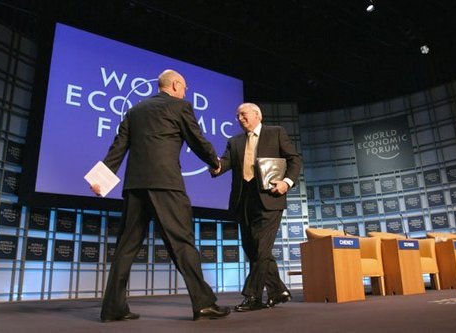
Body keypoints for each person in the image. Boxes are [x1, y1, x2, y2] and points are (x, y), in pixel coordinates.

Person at [90, 69, 230, 322]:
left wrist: (100, 178)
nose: (186, 91)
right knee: (182, 243)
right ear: (176, 85)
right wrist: (215, 162)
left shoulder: (135, 110)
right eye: (185, 87)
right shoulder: (181, 107)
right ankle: (204, 303)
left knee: (125, 247)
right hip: (166, 184)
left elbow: (117, 147)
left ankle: (113, 308)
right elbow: (196, 140)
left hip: (135, 186)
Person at [211, 103, 302, 311]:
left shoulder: (276, 133)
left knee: (262, 248)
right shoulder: (234, 141)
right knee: (252, 249)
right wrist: (215, 166)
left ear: (256, 115)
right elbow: (224, 163)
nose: (239, 118)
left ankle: (253, 297)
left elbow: (294, 160)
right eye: (237, 116)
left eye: (243, 114)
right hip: (243, 201)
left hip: (270, 199)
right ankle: (278, 291)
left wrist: (286, 182)